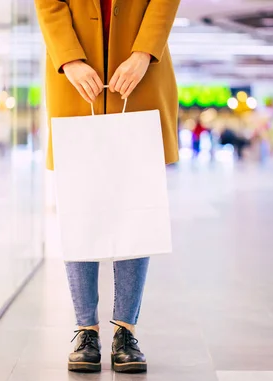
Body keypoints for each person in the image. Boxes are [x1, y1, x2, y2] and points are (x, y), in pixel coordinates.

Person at [35, 0, 180, 374]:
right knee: (78, 205)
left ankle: (125, 331)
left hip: (140, 73)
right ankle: (86, 330)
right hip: (75, 79)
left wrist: (145, 52)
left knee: (136, 204)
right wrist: (68, 59)